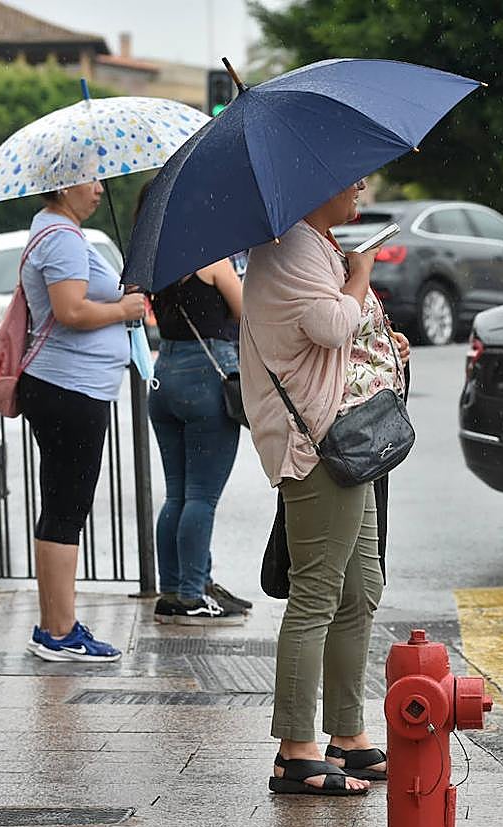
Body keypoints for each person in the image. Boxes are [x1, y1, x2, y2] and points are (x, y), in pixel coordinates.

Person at [240, 177, 409, 795]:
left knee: (361, 587)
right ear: (315, 183)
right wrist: (360, 271)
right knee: (317, 592)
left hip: (340, 437)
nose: (360, 185)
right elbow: (330, 324)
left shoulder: (312, 241)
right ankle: (295, 750)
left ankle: (346, 735)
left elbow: (340, 334)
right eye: (350, 180)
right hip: (312, 441)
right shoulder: (285, 249)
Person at [19, 181, 146, 663]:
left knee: (59, 505)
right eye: (89, 179)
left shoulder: (54, 232)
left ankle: (54, 624)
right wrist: (124, 309)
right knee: (67, 507)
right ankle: (60, 630)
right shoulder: (62, 238)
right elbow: (70, 310)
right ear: (63, 182)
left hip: (65, 386)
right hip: (70, 388)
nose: (99, 189)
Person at [137, 183, 251, 625]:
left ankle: (173, 589)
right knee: (202, 497)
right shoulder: (210, 258)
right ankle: (192, 594)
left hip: (163, 377)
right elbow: (245, 312)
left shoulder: (150, 264)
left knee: (178, 495)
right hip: (206, 379)